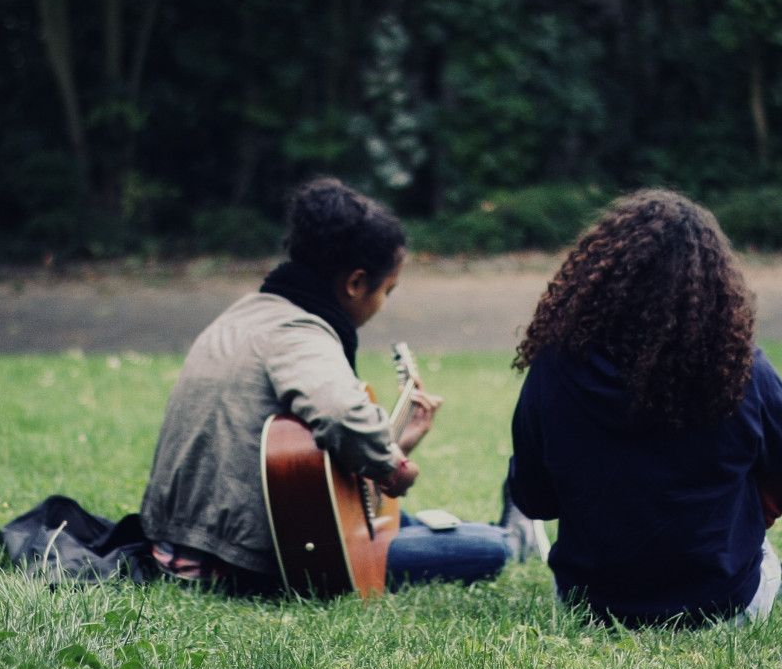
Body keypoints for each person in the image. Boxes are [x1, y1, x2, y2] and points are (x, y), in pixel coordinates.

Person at [141, 176, 543, 594]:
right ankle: (512, 540)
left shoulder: (250, 312)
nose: (383, 303)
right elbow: (341, 414)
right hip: (243, 559)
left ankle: (489, 533)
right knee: (485, 549)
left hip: (185, 540)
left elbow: (306, 470)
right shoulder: (299, 332)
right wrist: (394, 467)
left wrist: (396, 443)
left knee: (410, 526)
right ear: (355, 283)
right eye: (386, 289)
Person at [504, 189, 782, 628]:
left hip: (589, 607)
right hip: (723, 608)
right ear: (714, 287)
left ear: (597, 278)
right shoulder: (737, 365)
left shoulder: (554, 366)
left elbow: (533, 498)